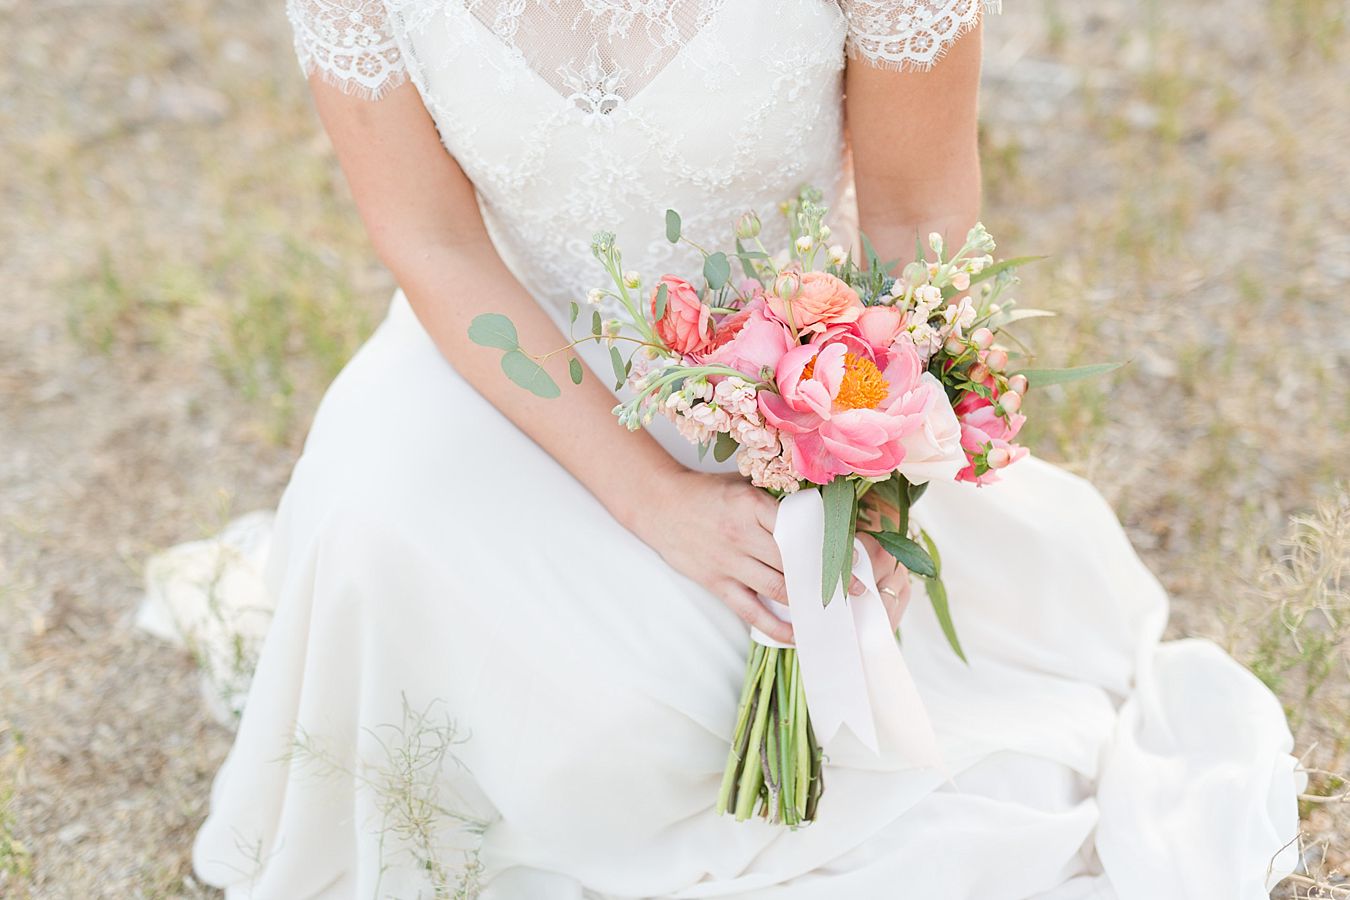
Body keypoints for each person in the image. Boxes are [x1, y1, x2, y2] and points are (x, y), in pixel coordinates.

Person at [176, 2, 1304, 896]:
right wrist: (651, 500)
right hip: (508, 362)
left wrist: (871, 480)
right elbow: (432, 241)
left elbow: (916, 214)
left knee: (713, 732)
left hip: (789, 385)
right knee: (380, 538)